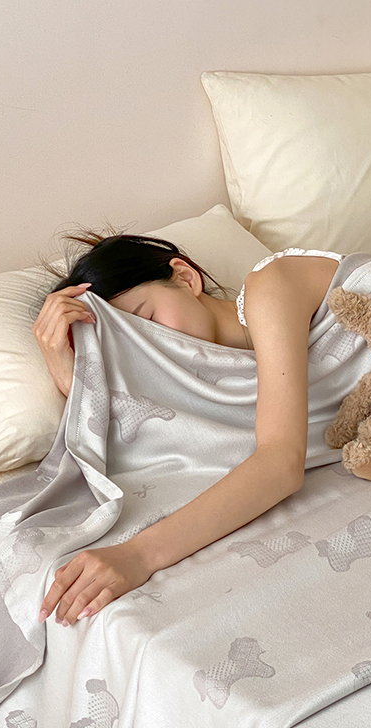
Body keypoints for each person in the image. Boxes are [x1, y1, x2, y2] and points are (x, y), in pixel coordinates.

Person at [32, 231, 342, 629]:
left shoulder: (271, 287)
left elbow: (281, 463)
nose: (161, 349)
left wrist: (139, 555)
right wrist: (62, 366)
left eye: (149, 320)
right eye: (140, 346)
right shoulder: (211, 392)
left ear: (184, 277)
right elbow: (132, 437)